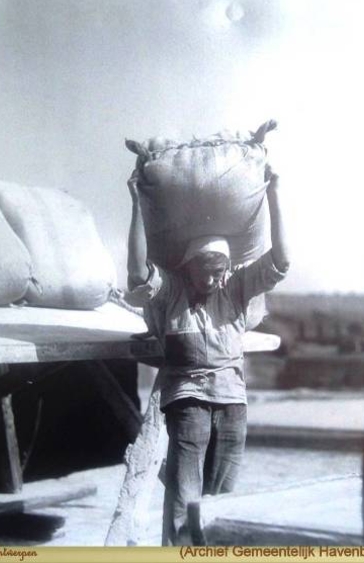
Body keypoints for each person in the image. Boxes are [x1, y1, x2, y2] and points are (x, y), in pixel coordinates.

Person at [126, 163, 290, 545]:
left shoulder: (236, 289)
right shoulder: (171, 292)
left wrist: (274, 194)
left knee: (222, 494)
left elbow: (281, 262)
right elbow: (137, 274)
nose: (215, 280)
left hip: (233, 401)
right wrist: (136, 202)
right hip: (188, 399)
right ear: (189, 268)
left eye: (221, 272)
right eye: (207, 272)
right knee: (185, 498)